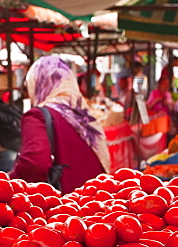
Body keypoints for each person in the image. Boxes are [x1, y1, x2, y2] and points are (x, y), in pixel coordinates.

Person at [12, 55, 110, 193]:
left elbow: (34, 164)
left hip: (62, 208)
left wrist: (9, 183)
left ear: (38, 83)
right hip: (94, 204)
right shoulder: (87, 119)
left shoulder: (37, 116)